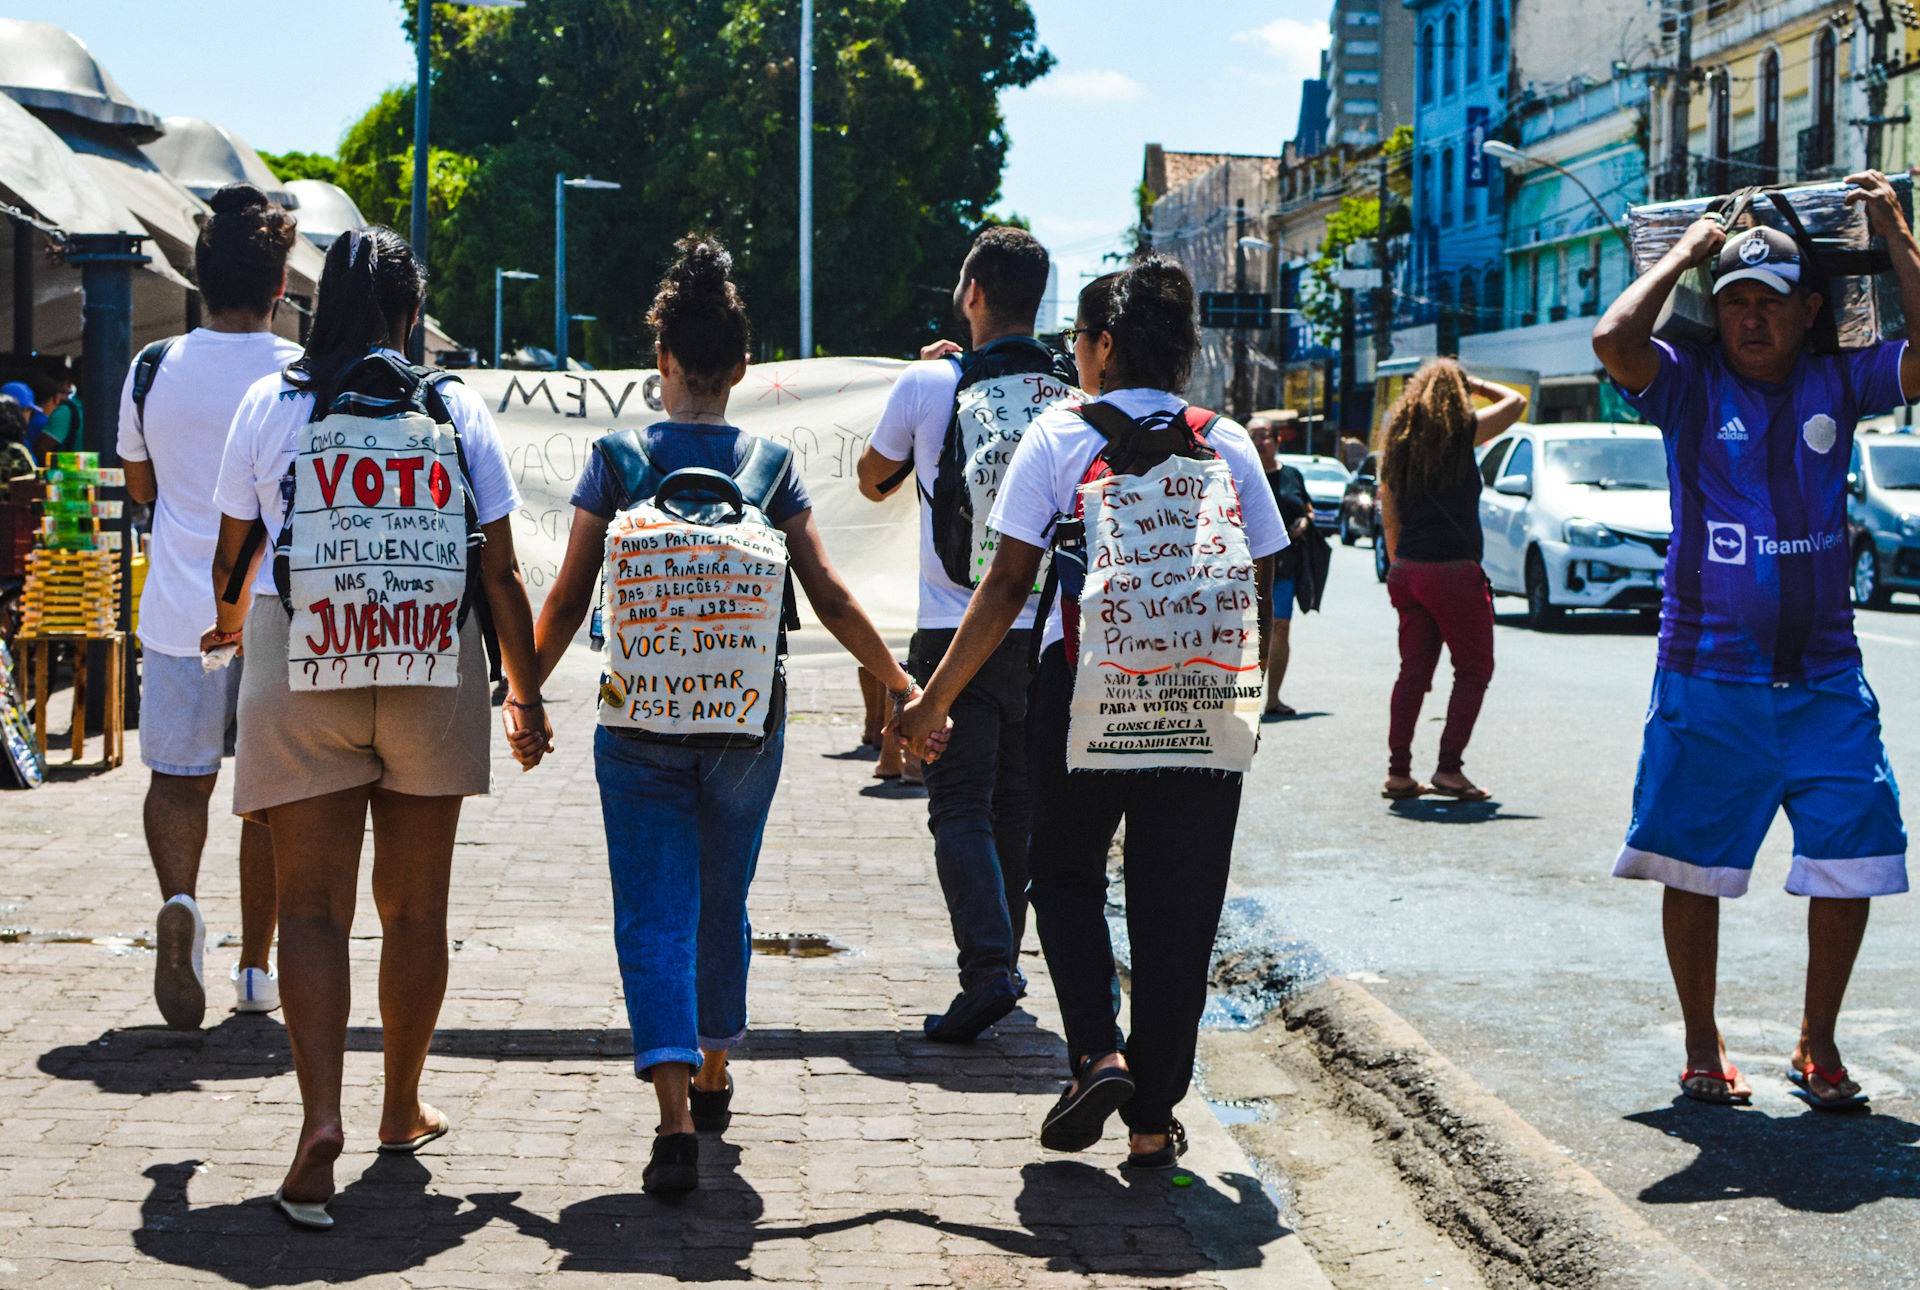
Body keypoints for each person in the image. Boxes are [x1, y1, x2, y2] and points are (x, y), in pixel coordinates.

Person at [526, 235, 936, 1195]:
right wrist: (905, 691)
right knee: (723, 897)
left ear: (660, 360)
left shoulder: (615, 460)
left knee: (651, 911)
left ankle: (673, 1113)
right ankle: (714, 1065)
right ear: (743, 370)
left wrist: (524, 693)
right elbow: (829, 594)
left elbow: (570, 598)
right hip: (748, 724)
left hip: (637, 725)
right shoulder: (773, 463)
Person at [896, 256, 1286, 1169]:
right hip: (1203, 701)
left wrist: (930, 702)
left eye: (1079, 340)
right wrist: (1245, 706)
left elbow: (1002, 591)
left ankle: (1095, 1052)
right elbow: (1260, 588)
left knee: (1064, 878)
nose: (1075, 356)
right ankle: (1153, 1121)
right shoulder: (1226, 442)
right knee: (1178, 911)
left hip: (1082, 693)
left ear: (1105, 344)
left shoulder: (1058, 436)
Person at [206, 225, 546, 1227]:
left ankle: (320, 1116)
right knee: (415, 909)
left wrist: (230, 631)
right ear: (408, 310)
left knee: (309, 909)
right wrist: (524, 693)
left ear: (316, 306)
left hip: (300, 652)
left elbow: (237, 553)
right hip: (431, 659)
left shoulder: (271, 405)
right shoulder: (453, 405)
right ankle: (401, 1108)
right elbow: (502, 569)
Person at [1591, 170, 1919, 1110]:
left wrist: (1894, 231)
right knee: (1692, 864)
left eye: (1769, 304)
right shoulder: (1687, 385)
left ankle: (1818, 1042)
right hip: (1708, 679)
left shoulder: (1837, 380)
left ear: (1807, 309)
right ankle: (1702, 1041)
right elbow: (1615, 340)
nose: (1751, 323)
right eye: (1734, 305)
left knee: (1852, 857)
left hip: (1824, 684)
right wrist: (1692, 253)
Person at [856, 225, 1078, 1041]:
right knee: (1016, 807)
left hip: (956, 621)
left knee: (957, 805)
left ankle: (988, 970)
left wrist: (929, 382)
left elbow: (873, 480)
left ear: (972, 294)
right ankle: (1004, 960)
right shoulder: (1070, 394)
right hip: (1050, 628)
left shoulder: (930, 384)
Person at [117, 183, 298, 1030]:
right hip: (271, 612)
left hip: (180, 609)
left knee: (177, 778)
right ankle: (257, 970)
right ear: (280, 283)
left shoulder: (151, 368)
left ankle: (181, 903)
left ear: (199, 275)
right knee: (267, 796)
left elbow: (143, 484)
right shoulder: (299, 379)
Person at [1376, 361, 1526, 801]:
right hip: (1454, 572)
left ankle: (1399, 772)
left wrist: (1397, 565)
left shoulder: (1398, 443)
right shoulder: (1463, 434)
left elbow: (1389, 515)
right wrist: (1474, 382)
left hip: (1408, 570)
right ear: (1458, 397)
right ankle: (1448, 768)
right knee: (1475, 669)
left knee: (1413, 673)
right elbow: (1515, 402)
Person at [1247, 415, 1324, 719]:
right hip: (1248, 565)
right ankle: (1246, 697)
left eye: (1265, 435)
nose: (1260, 442)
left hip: (1285, 565)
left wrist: (1306, 521)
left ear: (1277, 440)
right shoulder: (1242, 471)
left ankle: (1273, 698)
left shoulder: (1292, 474)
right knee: (1248, 631)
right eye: (1253, 436)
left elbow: (1306, 507)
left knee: (1280, 627)